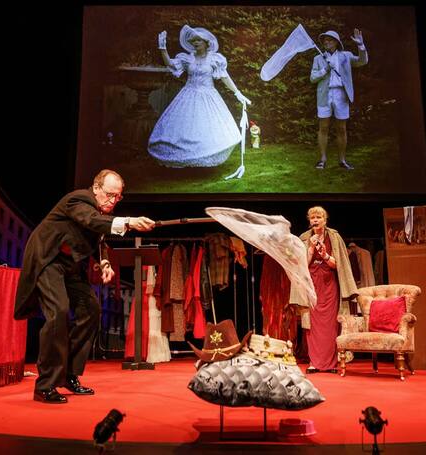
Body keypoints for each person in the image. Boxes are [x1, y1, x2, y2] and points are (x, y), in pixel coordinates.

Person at [14, 169, 155, 404]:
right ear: (96, 188)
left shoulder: (99, 209)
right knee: (58, 312)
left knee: (91, 310)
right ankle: (45, 385)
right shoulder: (78, 199)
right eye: (110, 194)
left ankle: (69, 374)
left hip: (70, 267)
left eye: (118, 197)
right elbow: (91, 221)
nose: (113, 201)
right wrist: (129, 222)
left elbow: (98, 238)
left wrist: (105, 262)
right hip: (49, 260)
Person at [149, 25, 252, 168]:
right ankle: (184, 157)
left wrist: (238, 93)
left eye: (198, 40)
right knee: (184, 127)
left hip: (208, 96)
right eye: (194, 41)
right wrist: (162, 48)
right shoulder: (187, 59)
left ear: (206, 42)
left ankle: (205, 156)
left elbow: (224, 77)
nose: (196, 43)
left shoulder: (215, 59)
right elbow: (171, 65)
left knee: (207, 128)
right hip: (188, 95)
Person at [290, 206, 358, 373]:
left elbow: (339, 265)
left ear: (325, 220)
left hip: (329, 285)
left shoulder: (334, 237)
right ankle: (315, 362)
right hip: (311, 285)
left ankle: (331, 363)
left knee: (331, 323)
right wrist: (312, 250)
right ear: (309, 220)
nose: (315, 220)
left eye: (319, 217)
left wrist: (326, 255)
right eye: (312, 217)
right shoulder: (304, 238)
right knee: (312, 323)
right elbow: (301, 266)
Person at [311, 29, 368, 170]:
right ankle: (322, 159)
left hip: (341, 95)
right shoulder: (318, 58)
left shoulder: (346, 56)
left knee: (341, 128)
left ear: (336, 42)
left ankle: (342, 160)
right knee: (323, 127)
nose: (326, 42)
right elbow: (312, 78)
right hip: (324, 95)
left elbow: (362, 61)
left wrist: (361, 45)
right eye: (324, 40)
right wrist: (325, 70)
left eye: (329, 39)